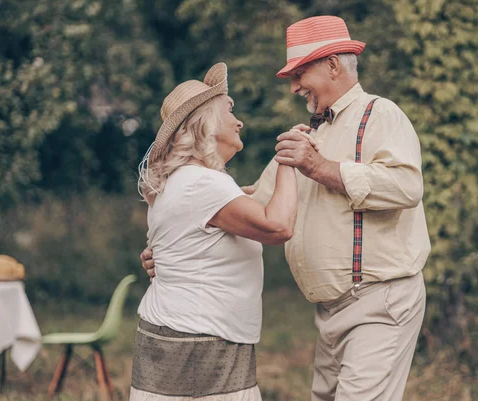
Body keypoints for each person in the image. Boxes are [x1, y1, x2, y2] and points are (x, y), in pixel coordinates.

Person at [142, 16, 430, 401]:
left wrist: (321, 167)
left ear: (332, 65)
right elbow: (247, 204)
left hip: (379, 300)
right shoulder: (307, 136)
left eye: (300, 73)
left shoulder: (380, 115)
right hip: (330, 311)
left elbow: (407, 186)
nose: (294, 86)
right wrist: (176, 243)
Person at [131, 62, 317, 401]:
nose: (239, 121)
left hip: (181, 333)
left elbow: (241, 205)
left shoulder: (180, 181)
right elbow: (277, 226)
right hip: (201, 338)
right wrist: (289, 162)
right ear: (207, 124)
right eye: (229, 111)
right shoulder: (202, 183)